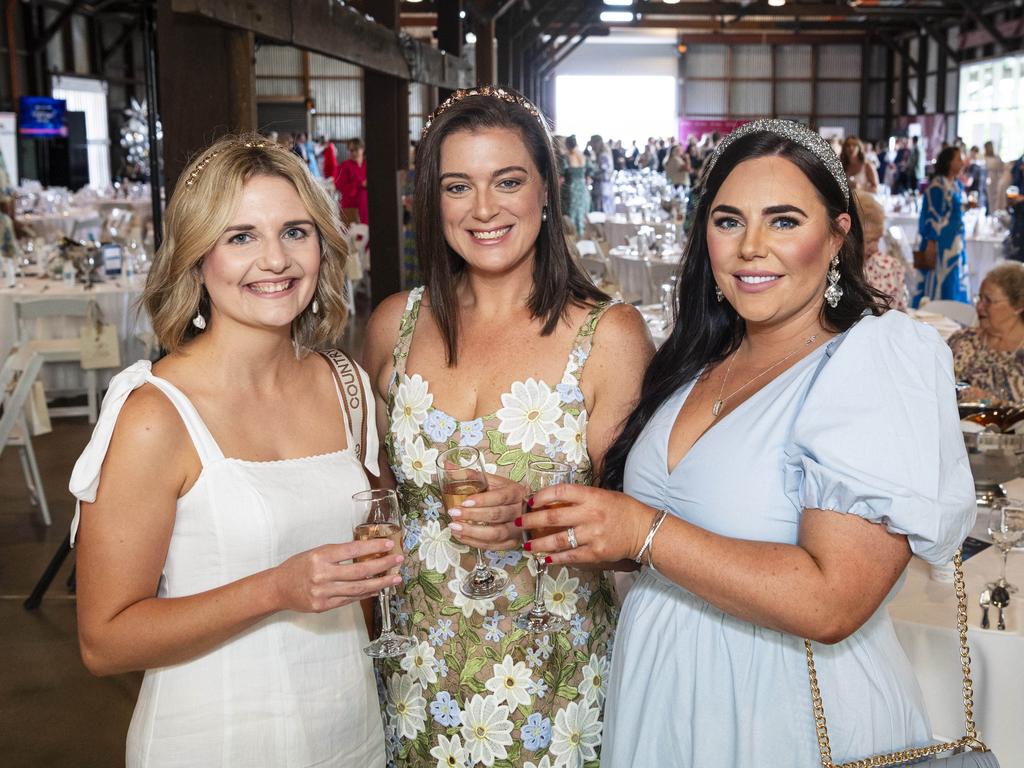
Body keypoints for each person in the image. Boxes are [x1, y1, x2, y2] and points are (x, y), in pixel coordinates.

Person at [519, 119, 976, 767]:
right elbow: (663, 543)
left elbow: (835, 600)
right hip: (663, 696)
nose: (751, 247)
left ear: (839, 233)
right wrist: (559, 517)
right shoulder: (697, 360)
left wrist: (643, 529)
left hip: (782, 713)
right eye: (729, 221)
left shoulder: (873, 359)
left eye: (784, 221)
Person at [69, 135, 396, 766]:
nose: (274, 260)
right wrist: (275, 588)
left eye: (295, 231)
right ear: (197, 259)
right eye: (240, 236)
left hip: (349, 732)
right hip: (215, 740)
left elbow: (370, 541)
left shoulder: (346, 384)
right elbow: (104, 642)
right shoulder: (155, 414)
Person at [363, 86, 654, 767]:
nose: (484, 209)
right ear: (433, 202)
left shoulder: (607, 336)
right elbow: (372, 495)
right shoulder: (392, 326)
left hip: (552, 680)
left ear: (547, 190)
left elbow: (640, 538)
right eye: (458, 185)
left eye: (508, 181)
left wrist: (534, 516)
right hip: (418, 676)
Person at [949, 262, 1024, 402]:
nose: (979, 306)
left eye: (988, 301)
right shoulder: (961, 341)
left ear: (1018, 306)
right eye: (979, 298)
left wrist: (992, 403)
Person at [913, 146, 971, 307]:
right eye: (959, 158)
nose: (962, 162)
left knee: (953, 279)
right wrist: (931, 242)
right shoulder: (937, 186)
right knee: (941, 279)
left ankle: (954, 311)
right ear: (948, 162)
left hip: (956, 241)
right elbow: (931, 217)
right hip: (941, 243)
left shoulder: (956, 184)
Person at [855, 189, 907, 311]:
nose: (875, 248)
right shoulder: (834, 271)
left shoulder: (891, 268)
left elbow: (901, 316)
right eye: (868, 241)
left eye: (877, 240)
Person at [336, 137, 368, 225]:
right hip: (351, 207)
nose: (353, 153)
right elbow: (339, 185)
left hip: (366, 206)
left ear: (362, 149)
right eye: (351, 150)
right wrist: (359, 184)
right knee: (353, 236)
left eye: (356, 150)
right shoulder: (345, 165)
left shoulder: (367, 165)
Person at [562, 134, 590, 236]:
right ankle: (581, 237)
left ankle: (572, 238)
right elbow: (591, 171)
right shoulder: (583, 156)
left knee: (571, 213)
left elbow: (561, 172)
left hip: (572, 188)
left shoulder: (566, 157)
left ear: (568, 145)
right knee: (581, 213)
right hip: (582, 188)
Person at [589, 133, 615, 213]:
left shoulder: (603, 156)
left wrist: (591, 174)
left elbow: (604, 173)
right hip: (604, 188)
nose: (591, 147)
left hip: (602, 188)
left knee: (601, 213)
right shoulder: (604, 154)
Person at [984, 141, 1005, 213]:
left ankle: (996, 213)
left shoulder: (996, 157)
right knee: (990, 197)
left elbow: (1002, 167)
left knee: (997, 196)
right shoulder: (985, 157)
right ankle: (991, 213)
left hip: (997, 177)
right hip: (989, 178)